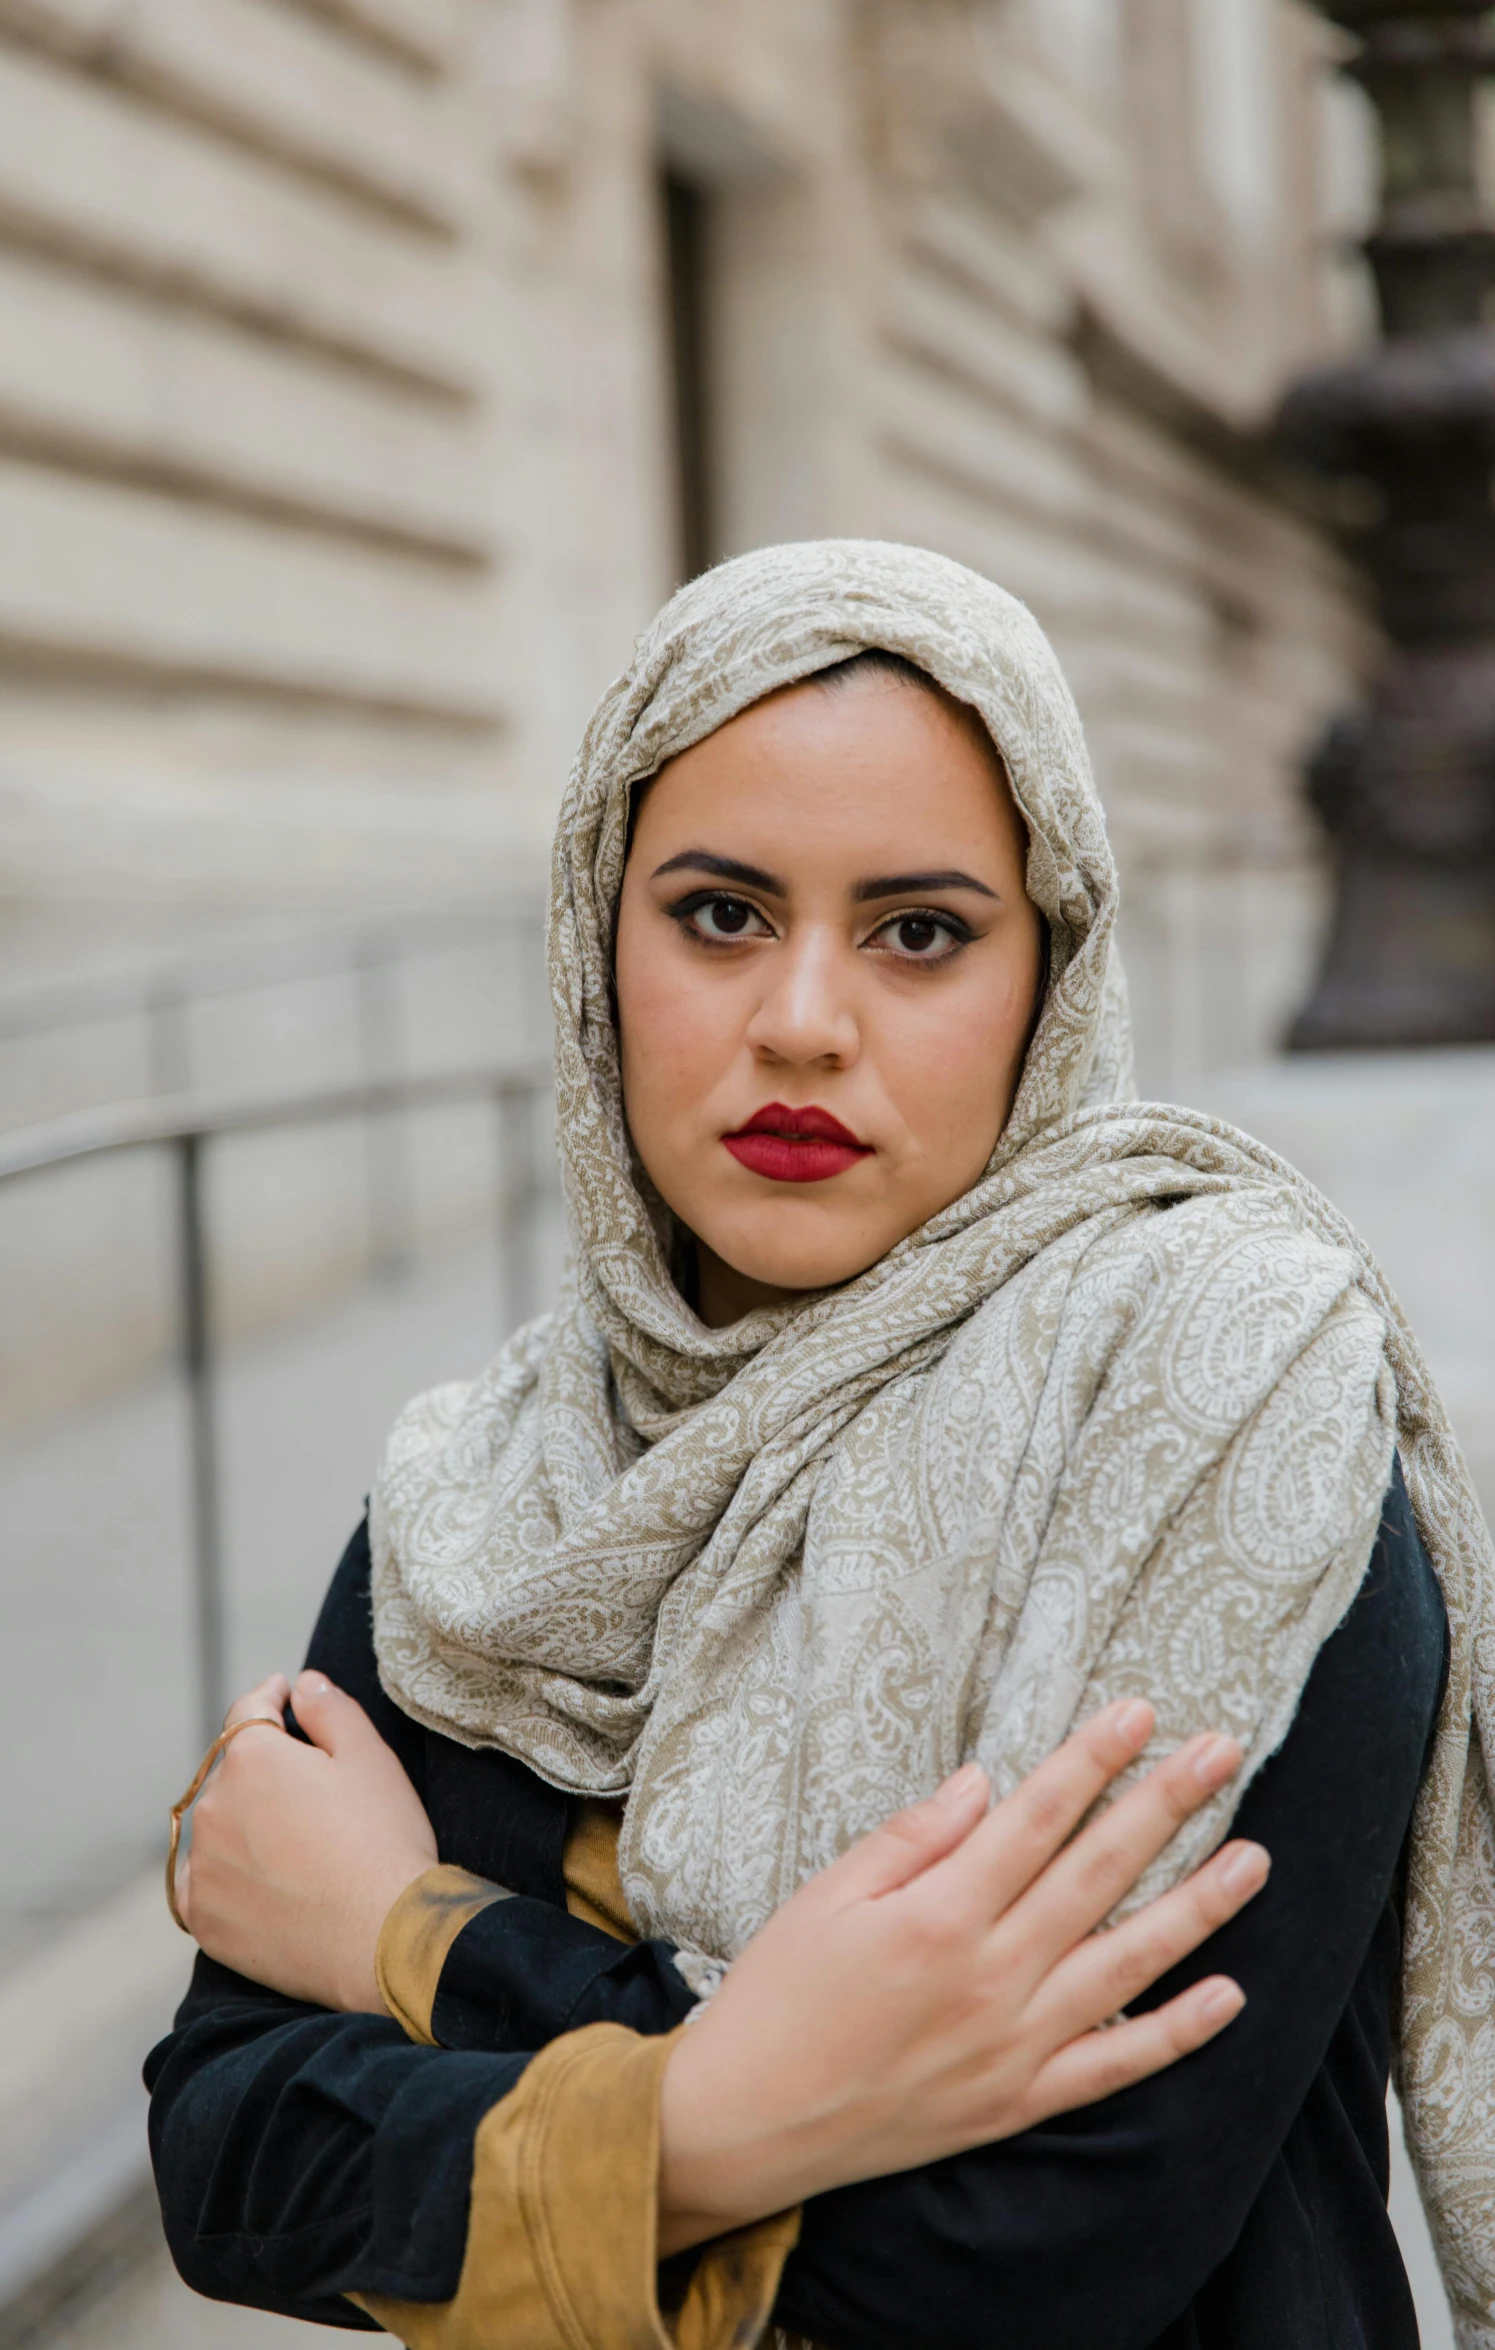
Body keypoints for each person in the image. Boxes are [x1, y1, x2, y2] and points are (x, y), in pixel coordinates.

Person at [147, 542, 1494, 2350]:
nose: (800, 1018)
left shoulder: (1221, 1408)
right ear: (594, 940)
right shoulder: (500, 1493)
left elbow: (1031, 2250)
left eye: (918, 930)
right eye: (717, 911)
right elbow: (234, 2172)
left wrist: (413, 1933)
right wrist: (751, 2103)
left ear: (1050, 971)